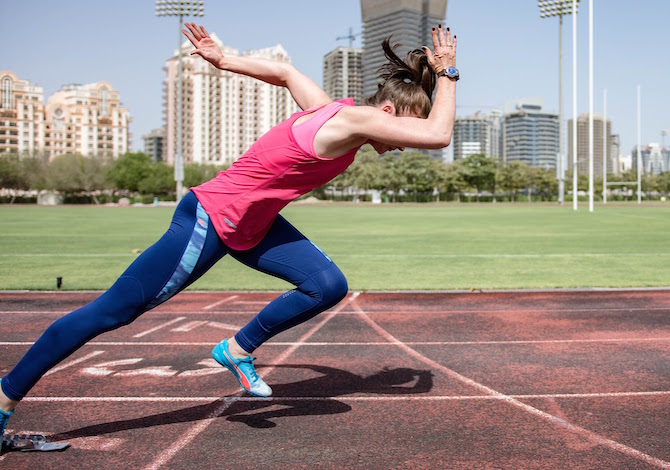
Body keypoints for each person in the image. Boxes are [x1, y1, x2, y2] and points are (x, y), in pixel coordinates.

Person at [0, 22, 457, 437]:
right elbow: (439, 135)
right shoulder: (356, 119)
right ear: (390, 110)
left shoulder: (331, 114)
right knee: (111, 313)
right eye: (404, 136)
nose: (401, 147)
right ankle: (4, 400)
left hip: (252, 227)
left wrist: (225, 60)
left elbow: (284, 72)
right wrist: (449, 75)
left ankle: (237, 350)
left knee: (327, 285)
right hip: (209, 219)